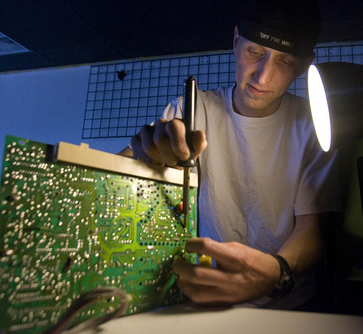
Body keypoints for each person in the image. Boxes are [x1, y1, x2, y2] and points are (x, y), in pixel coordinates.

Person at [120, 0, 340, 310]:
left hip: (289, 306)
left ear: (304, 65)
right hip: (205, 299)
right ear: (236, 41)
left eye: (285, 61)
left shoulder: (313, 126)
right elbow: (114, 176)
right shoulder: (192, 109)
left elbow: (312, 230)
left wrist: (276, 272)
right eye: (255, 53)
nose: (262, 77)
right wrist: (146, 153)